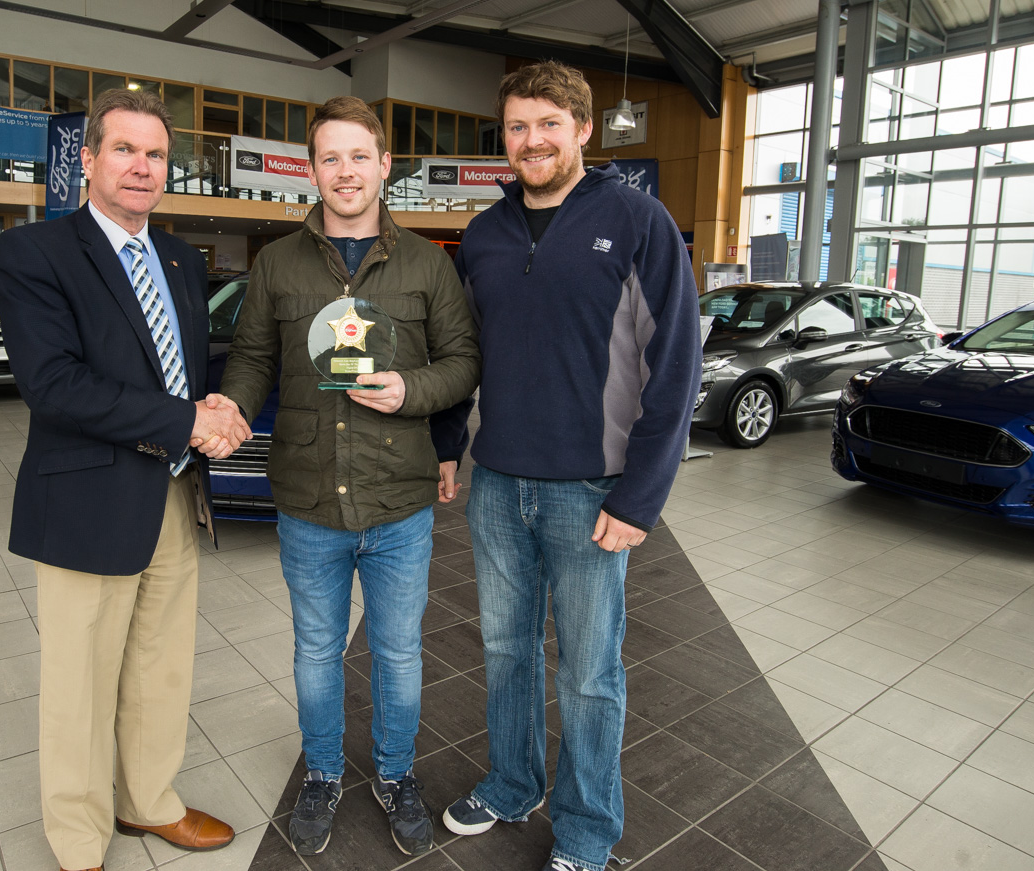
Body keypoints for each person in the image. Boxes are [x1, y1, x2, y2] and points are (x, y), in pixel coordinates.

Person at [438, 62, 702, 871]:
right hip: (498, 485)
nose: (532, 141)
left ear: (583, 129)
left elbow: (676, 364)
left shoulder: (637, 222)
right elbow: (460, 352)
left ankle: (587, 833)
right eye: (516, 127)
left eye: (548, 124)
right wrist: (449, 443)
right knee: (506, 651)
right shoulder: (482, 233)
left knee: (589, 674)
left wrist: (640, 496)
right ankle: (514, 781)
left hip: (592, 491)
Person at [0, 88, 249, 871]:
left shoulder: (178, 256)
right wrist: (184, 423)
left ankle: (148, 802)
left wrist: (213, 403)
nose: (142, 167)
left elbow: (181, 367)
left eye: (156, 154)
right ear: (91, 160)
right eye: (126, 150)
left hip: (171, 494)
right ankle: (77, 838)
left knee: (160, 666)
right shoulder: (36, 252)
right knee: (80, 681)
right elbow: (54, 384)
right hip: (87, 498)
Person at [219, 95, 480, 858]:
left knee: (398, 652)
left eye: (358, 156)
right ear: (311, 168)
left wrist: (412, 391)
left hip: (398, 501)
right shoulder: (276, 263)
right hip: (307, 500)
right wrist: (230, 409)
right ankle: (325, 773)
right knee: (314, 651)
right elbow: (251, 361)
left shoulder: (429, 263)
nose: (344, 171)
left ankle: (396, 773)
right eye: (329, 157)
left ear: (384, 164)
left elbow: (462, 361)